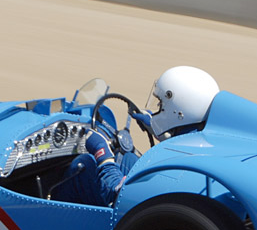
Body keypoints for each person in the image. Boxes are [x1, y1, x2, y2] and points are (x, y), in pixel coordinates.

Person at [52, 66, 220, 206]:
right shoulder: (203, 142)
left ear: (180, 112)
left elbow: (117, 194)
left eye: (161, 105)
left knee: (85, 165)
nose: (157, 108)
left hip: (142, 211)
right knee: (126, 157)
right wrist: (154, 127)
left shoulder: (176, 158)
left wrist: (102, 154)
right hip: (175, 201)